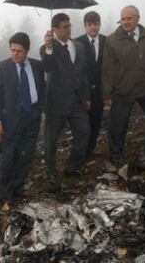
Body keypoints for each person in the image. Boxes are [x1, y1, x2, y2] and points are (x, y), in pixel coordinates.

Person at [102, 6, 145, 165]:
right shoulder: (112, 41)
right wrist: (107, 94)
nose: (125, 22)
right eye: (123, 19)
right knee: (117, 125)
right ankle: (116, 154)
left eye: (129, 18)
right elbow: (107, 69)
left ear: (137, 18)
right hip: (124, 90)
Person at [0, 32, 45, 212]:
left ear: (27, 50)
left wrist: (41, 110)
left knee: (26, 155)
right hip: (11, 120)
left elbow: (42, 88)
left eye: (19, 51)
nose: (15, 54)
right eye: (12, 50)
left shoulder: (37, 65)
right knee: (8, 158)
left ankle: (18, 187)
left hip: (32, 116)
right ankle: (4, 196)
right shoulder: (2, 67)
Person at [40, 13, 90, 183]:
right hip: (56, 103)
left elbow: (82, 74)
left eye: (69, 26)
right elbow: (47, 67)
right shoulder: (48, 48)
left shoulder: (79, 46)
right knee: (51, 141)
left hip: (77, 101)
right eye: (65, 27)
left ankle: (72, 166)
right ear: (55, 29)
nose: (69, 29)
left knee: (84, 132)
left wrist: (86, 96)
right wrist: (48, 46)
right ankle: (51, 171)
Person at [75, 11, 107, 157]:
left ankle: (90, 150)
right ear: (85, 26)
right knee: (82, 124)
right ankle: (80, 152)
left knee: (96, 122)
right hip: (82, 91)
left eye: (96, 24)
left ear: (100, 24)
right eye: (90, 24)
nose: (93, 27)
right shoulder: (76, 43)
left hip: (100, 90)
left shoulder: (107, 41)